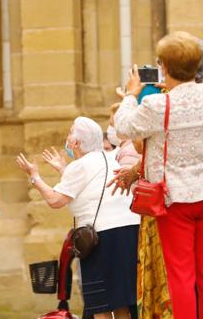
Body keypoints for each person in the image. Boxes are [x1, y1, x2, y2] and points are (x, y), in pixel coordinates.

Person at [113, 32, 203, 319]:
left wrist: (131, 94)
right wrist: (173, 84)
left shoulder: (157, 105)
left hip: (176, 197)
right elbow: (192, 98)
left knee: (181, 275)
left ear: (164, 67)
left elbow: (123, 127)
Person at [16, 116, 140, 319]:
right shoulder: (109, 157)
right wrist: (64, 170)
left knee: (100, 305)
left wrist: (35, 176)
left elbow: (55, 200)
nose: (67, 136)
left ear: (76, 142)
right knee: (121, 304)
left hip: (104, 238)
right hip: (128, 231)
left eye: (70, 131)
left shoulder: (79, 166)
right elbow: (86, 183)